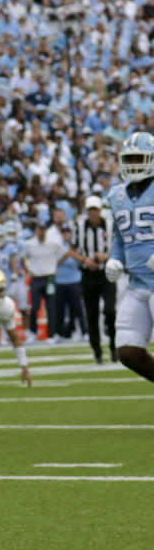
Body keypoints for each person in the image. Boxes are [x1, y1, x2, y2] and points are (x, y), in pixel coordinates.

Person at [105, 132, 154, 382]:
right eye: (130, 158)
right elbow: (119, 237)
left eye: (139, 158)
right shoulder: (117, 195)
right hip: (136, 284)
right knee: (127, 351)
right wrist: (115, 259)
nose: (134, 164)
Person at [72, 195, 116, 363]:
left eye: (95, 210)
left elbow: (119, 247)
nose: (93, 213)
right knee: (91, 315)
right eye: (90, 210)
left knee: (110, 311)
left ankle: (113, 347)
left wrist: (106, 256)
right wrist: (85, 260)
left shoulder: (111, 226)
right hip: (88, 275)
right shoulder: (79, 226)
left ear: (100, 210)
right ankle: (97, 352)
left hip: (107, 274)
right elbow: (72, 250)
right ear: (86, 210)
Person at [21, 219, 66, 341]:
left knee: (51, 307)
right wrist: (28, 270)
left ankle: (51, 335)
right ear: (36, 230)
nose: (41, 231)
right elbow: (22, 258)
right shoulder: (29, 244)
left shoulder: (53, 243)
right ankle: (32, 332)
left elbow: (65, 253)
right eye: (39, 229)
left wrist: (56, 265)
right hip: (35, 278)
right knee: (34, 307)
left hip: (49, 278)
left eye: (43, 229)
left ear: (46, 230)